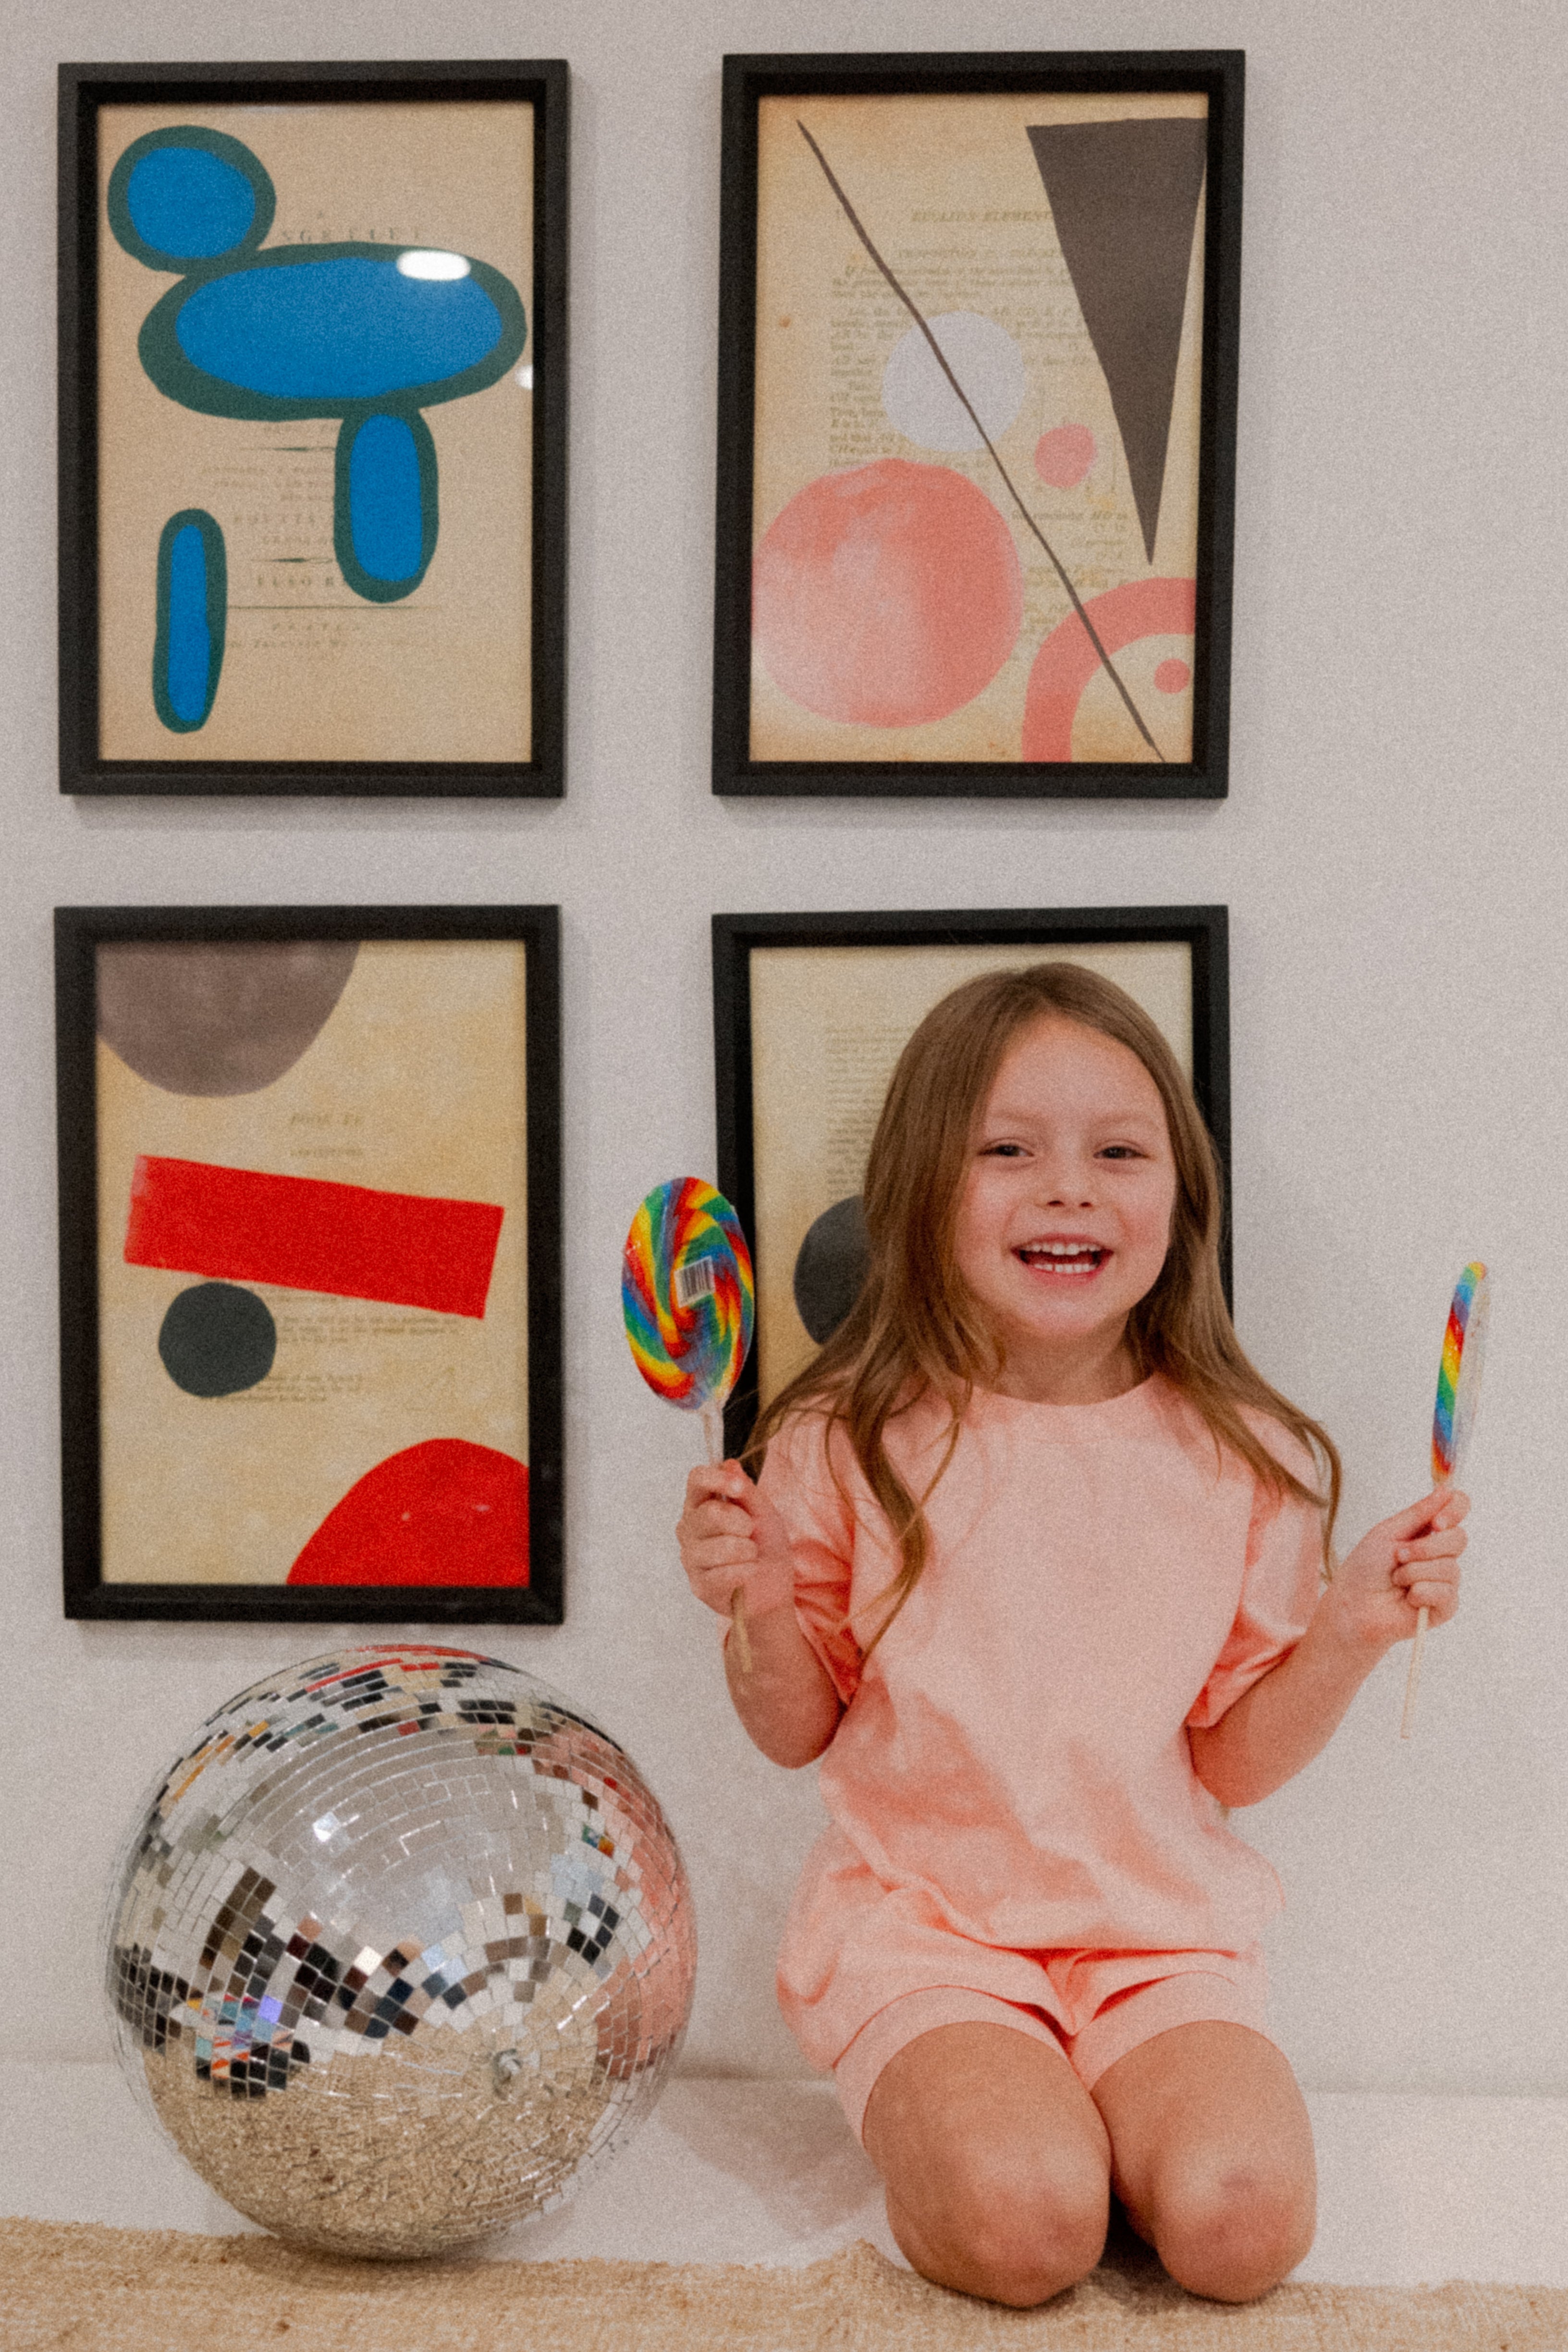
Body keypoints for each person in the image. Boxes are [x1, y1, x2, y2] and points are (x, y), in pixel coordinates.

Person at [677, 963, 1467, 2308]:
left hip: (1155, 1936)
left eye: (1119, 1152)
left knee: (1243, 2229)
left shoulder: (1248, 1458)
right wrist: (753, 1596)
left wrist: (1349, 1629)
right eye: (1007, 1152)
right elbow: (794, 1726)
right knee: (1029, 2227)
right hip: (929, 1932)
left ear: (1181, 1198)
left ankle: (1087, 2119)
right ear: (925, 1189)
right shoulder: (843, 1441)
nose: (1068, 1188)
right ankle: (1009, 2124)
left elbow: (1227, 1762)